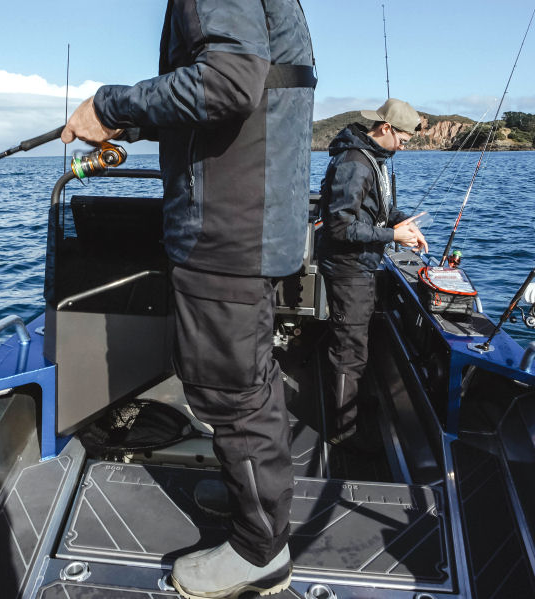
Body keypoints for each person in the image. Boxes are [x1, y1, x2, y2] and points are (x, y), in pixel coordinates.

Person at [60, 1, 315, 597]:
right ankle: (250, 500)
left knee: (232, 393)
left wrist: (110, 105)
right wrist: (133, 123)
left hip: (226, 231)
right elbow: (230, 95)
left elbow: (228, 83)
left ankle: (260, 551)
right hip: (250, 225)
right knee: (247, 380)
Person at [315, 98, 428, 449]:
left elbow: (379, 208)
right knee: (349, 350)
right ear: (386, 128)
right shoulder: (355, 163)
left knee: (356, 341)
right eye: (403, 140)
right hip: (348, 267)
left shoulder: (371, 159)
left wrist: (402, 222)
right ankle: (344, 433)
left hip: (361, 264)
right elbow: (339, 226)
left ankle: (353, 404)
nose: (403, 147)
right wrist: (393, 236)